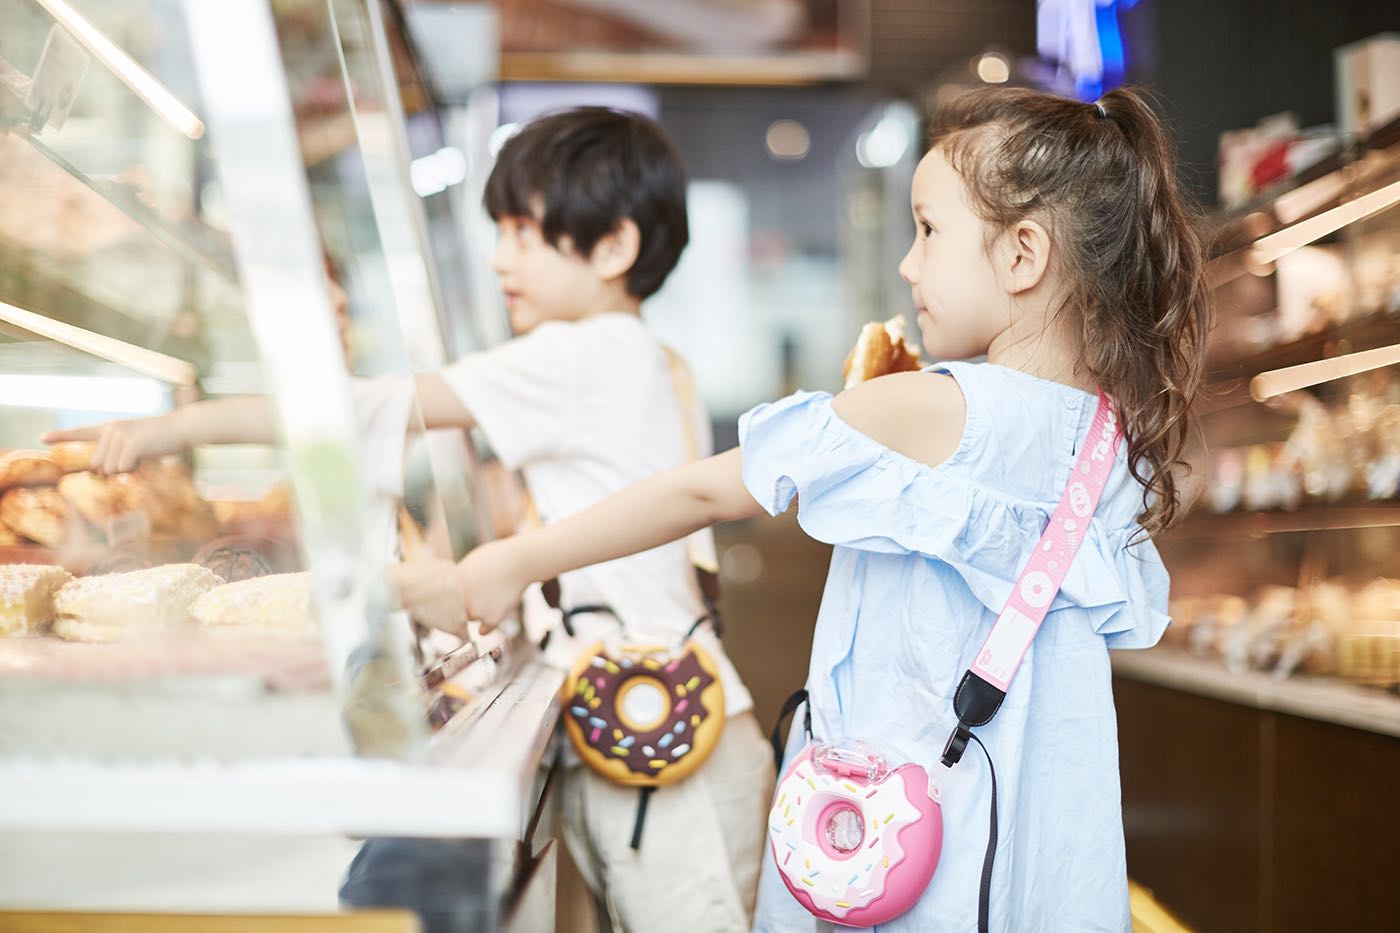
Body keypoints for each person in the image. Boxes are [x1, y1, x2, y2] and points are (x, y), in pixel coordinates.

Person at [395, 85, 1212, 932]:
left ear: (1022, 255)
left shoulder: (938, 409)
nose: (907, 263)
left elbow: (704, 488)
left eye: (928, 230)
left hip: (901, 854)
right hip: (1034, 856)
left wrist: (508, 563)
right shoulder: (1104, 438)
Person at [45, 106, 773, 933]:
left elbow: (366, 406)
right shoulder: (641, 352)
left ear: (614, 247)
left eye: (524, 233)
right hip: (674, 725)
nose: (501, 259)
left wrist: (174, 427)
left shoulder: (579, 352)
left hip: (660, 742)